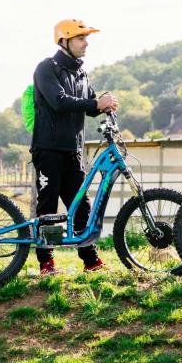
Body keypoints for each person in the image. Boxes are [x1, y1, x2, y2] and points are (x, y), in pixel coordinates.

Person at [31, 19, 119, 275]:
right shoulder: (46, 68)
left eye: (85, 38)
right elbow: (59, 101)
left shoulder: (80, 73)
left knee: (82, 207)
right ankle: (46, 263)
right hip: (48, 149)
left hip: (73, 151)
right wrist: (95, 104)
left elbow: (90, 104)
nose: (86, 43)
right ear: (64, 41)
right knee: (47, 208)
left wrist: (105, 105)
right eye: (81, 38)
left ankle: (91, 261)